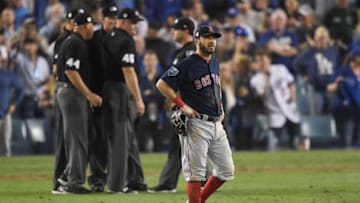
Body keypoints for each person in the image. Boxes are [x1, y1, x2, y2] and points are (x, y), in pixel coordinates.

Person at [156, 25, 235, 203]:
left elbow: (215, 86)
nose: (212, 41)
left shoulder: (214, 61)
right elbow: (162, 84)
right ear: (197, 40)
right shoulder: (187, 64)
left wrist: (220, 106)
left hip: (216, 124)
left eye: (214, 38)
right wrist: (182, 106)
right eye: (207, 38)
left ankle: (197, 200)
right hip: (196, 124)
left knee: (226, 170)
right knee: (195, 174)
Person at [149, 17, 197, 193]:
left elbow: (190, 79)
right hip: (186, 104)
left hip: (189, 105)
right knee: (189, 145)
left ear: (185, 30)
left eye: (175, 29)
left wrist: (178, 100)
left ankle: (167, 183)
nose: (172, 32)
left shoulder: (190, 52)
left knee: (179, 144)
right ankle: (207, 179)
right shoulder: (183, 52)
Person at [102, 8, 147, 193]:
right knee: (121, 138)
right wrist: (138, 99)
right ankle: (117, 185)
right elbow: (128, 71)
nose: (136, 27)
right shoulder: (125, 40)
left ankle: (135, 179)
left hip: (107, 89)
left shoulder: (108, 37)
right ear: (124, 22)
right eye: (134, 23)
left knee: (126, 136)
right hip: (120, 91)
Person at [56, 12, 102, 194]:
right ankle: (73, 182)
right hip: (72, 93)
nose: (93, 30)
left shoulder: (70, 40)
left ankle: (67, 177)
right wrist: (89, 94)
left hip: (67, 92)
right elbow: (71, 71)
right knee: (78, 139)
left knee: (76, 138)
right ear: (84, 26)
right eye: (91, 26)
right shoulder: (76, 43)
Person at [51, 7, 85, 194]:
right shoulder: (65, 40)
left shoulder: (71, 39)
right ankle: (61, 180)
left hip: (65, 89)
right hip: (66, 89)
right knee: (65, 140)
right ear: (67, 22)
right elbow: (57, 69)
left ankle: (63, 178)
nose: (73, 24)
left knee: (68, 138)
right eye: (72, 21)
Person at [86, 4, 118, 193]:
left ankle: (119, 177)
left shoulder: (122, 37)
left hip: (116, 94)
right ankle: (97, 177)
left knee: (118, 138)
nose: (113, 22)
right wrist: (90, 93)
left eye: (115, 18)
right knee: (98, 138)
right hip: (97, 94)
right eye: (110, 18)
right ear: (103, 19)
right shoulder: (93, 39)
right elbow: (88, 68)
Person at [250, 50, 301, 149]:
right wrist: (266, 82)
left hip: (290, 108)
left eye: (263, 60)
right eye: (259, 61)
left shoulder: (281, 69)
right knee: (276, 142)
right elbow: (262, 97)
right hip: (275, 113)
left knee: (295, 139)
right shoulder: (256, 79)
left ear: (269, 60)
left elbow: (291, 83)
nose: (261, 63)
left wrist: (293, 97)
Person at [294, 26, 340, 114]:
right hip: (316, 89)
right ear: (315, 39)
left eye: (324, 38)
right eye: (320, 38)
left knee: (332, 115)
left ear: (328, 39)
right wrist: (305, 75)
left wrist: (337, 80)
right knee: (317, 116)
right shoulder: (309, 52)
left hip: (331, 88)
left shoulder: (334, 51)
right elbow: (296, 64)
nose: (322, 40)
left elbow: (339, 66)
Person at [327, 47, 360, 149]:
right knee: (346, 140)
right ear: (355, 57)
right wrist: (338, 83)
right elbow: (329, 88)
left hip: (358, 109)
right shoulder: (343, 71)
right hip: (345, 108)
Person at [259, 9, 299, 75]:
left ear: (285, 21)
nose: (278, 22)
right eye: (276, 19)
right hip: (272, 68)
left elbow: (295, 51)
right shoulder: (265, 34)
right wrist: (285, 49)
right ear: (271, 21)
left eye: (280, 19)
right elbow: (265, 49)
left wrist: (274, 48)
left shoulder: (291, 34)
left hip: (290, 69)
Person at [0, 52, 24, 157]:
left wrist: (14, 104)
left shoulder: (8, 74)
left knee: (5, 143)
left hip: (5, 112)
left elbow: (20, 90)